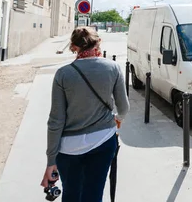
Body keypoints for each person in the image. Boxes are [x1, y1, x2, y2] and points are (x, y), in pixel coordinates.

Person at [41, 26, 130, 201]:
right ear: (98, 43)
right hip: (103, 140)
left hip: (69, 147)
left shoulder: (63, 74)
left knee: (71, 194)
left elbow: (56, 120)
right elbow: (124, 108)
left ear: (74, 46)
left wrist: (51, 160)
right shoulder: (113, 68)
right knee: (94, 194)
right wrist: (117, 120)